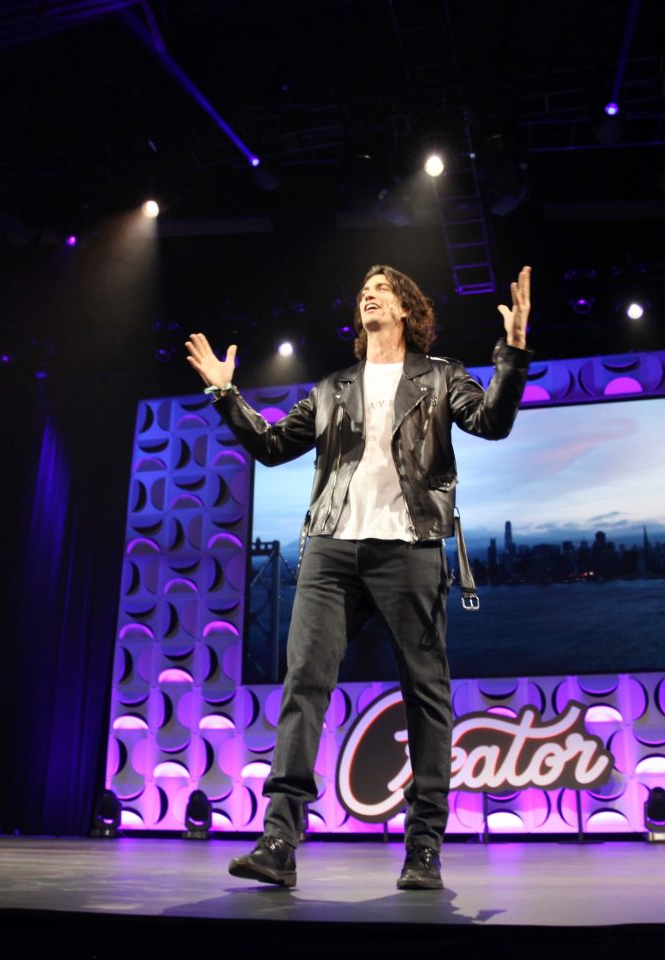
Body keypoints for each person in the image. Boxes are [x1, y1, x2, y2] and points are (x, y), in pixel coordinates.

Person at [184, 264, 532, 889]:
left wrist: (513, 353)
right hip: (330, 550)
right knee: (303, 685)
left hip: (411, 548)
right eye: (363, 291)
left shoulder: (441, 375)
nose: (369, 295)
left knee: (427, 696)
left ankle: (423, 847)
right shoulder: (332, 387)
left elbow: (492, 422)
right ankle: (279, 840)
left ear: (405, 309)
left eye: (383, 289)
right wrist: (225, 396)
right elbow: (270, 445)